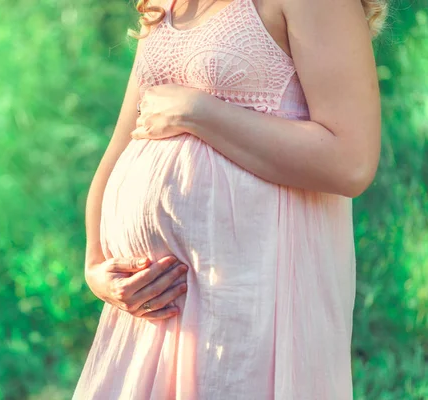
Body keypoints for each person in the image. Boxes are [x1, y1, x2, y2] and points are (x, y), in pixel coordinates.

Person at [74, 0, 386, 398]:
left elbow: (351, 161)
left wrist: (198, 112)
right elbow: (122, 143)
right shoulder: (166, 4)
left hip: (248, 303)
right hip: (148, 315)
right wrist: (96, 265)